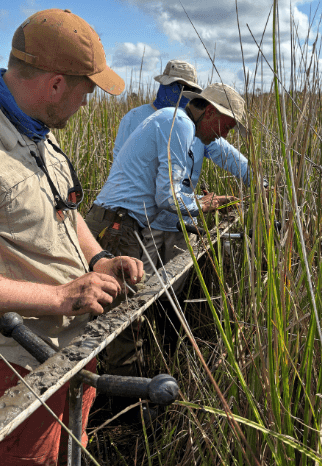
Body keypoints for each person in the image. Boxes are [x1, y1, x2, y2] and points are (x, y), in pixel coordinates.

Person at [0, 8, 144, 466]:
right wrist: (61, 296)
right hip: (14, 367)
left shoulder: (38, 140)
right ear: (54, 84)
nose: (87, 102)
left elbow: (66, 216)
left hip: (68, 353)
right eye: (86, 90)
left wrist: (99, 261)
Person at [85, 83, 248, 375]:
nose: (225, 135)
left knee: (124, 316)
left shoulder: (175, 121)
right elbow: (168, 196)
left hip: (120, 223)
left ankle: (123, 392)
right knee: (126, 322)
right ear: (210, 111)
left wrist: (203, 201)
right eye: (227, 126)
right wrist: (205, 205)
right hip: (117, 224)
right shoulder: (180, 124)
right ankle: (130, 406)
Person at [104, 60, 252, 273]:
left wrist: (260, 182)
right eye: (177, 86)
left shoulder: (194, 126)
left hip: (178, 219)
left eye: (188, 89)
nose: (180, 93)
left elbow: (230, 157)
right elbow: (132, 176)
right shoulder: (162, 120)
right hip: (141, 220)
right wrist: (201, 204)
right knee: (137, 288)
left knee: (168, 285)